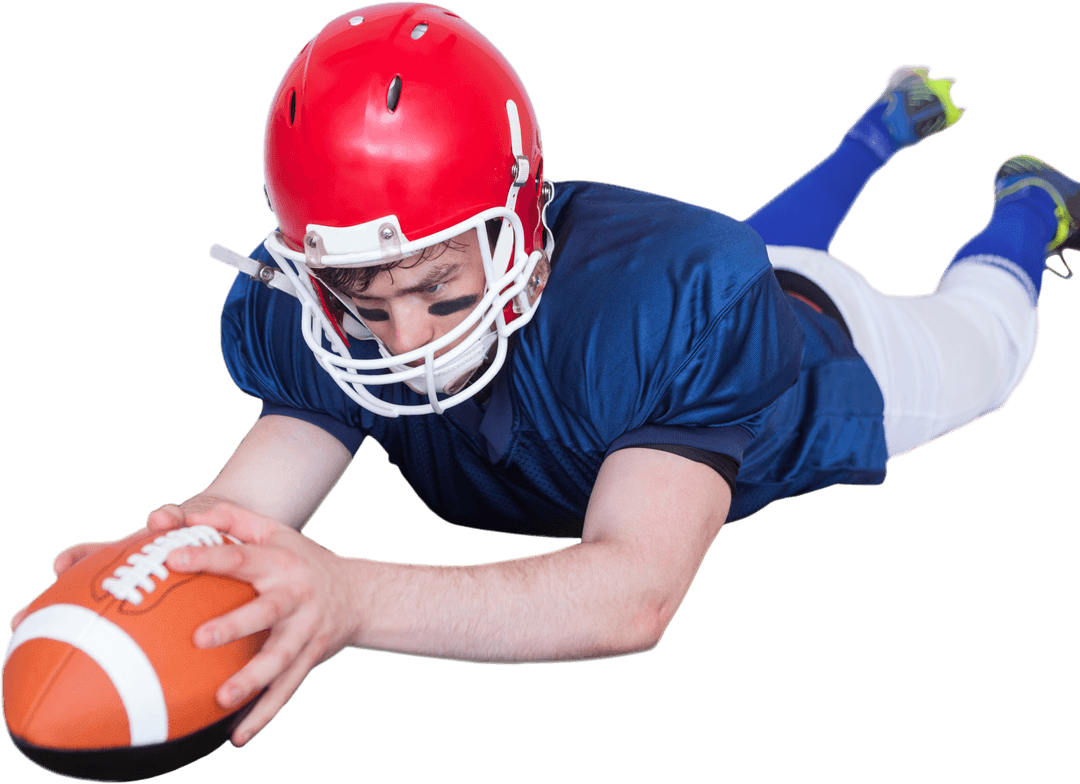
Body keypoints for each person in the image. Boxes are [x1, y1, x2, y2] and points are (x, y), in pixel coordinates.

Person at [11, 3, 1077, 751]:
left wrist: (352, 596)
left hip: (830, 362)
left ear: (520, 225)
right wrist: (161, 557)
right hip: (708, 302)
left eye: (436, 287)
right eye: (363, 300)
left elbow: (634, 593)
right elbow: (247, 507)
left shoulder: (671, 302)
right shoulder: (332, 308)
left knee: (985, 351)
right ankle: (875, 133)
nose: (402, 339)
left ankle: (1034, 203)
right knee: (762, 248)